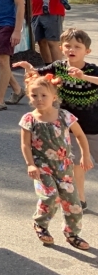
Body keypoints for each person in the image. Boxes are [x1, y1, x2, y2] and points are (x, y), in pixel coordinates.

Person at [15, 28, 98, 212]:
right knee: (76, 163)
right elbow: (38, 75)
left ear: (87, 51)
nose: (72, 49)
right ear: (61, 48)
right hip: (69, 126)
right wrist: (30, 69)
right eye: (68, 46)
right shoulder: (59, 66)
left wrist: (83, 76)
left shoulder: (91, 69)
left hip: (94, 125)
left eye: (77, 46)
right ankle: (80, 199)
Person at [18, 73, 91, 250]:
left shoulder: (65, 116)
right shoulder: (29, 119)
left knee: (73, 202)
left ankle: (72, 234)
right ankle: (40, 224)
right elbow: (25, 145)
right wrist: (30, 164)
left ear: (54, 97)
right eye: (34, 95)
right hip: (42, 166)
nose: (39, 99)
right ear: (29, 96)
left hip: (64, 166)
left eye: (44, 95)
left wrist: (85, 155)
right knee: (50, 196)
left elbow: (80, 136)